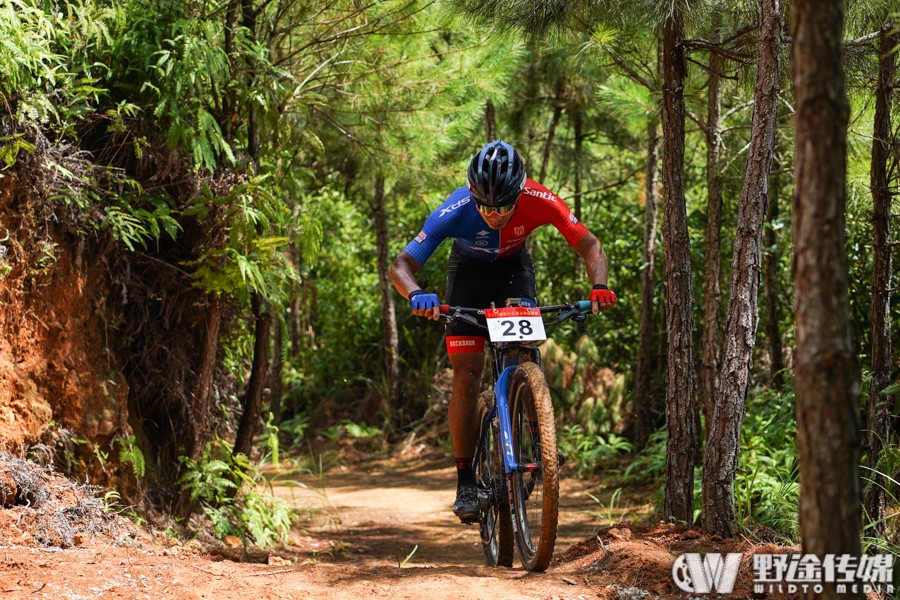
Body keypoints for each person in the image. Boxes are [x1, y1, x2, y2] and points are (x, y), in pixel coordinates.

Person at [389, 139, 616, 523]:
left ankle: (539, 436)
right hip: (467, 275)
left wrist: (599, 285)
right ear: (473, 195)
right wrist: (417, 295)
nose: (494, 215)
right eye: (486, 207)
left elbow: (590, 246)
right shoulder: (454, 210)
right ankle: (465, 483)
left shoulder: (541, 198)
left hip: (514, 271)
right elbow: (401, 266)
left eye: (504, 207)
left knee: (524, 347)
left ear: (519, 193)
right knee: (466, 376)